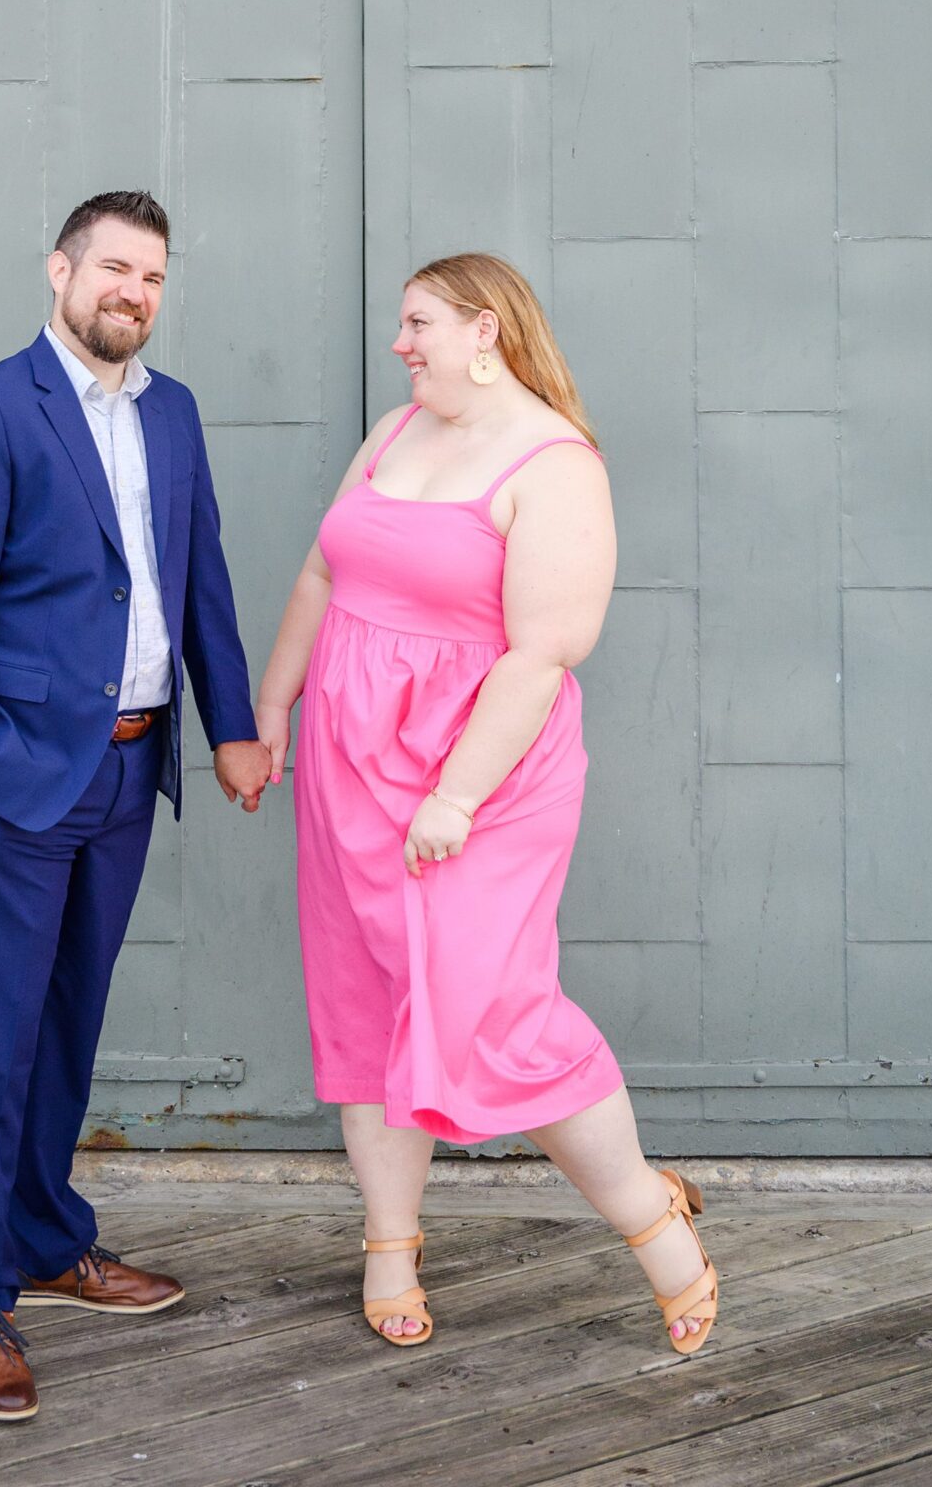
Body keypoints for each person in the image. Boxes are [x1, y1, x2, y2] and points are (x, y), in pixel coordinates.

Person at [256, 252, 719, 1356]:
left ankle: (660, 1230)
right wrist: (269, 707)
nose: (400, 342)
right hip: (348, 761)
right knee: (363, 997)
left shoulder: (553, 463)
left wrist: (455, 795)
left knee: (496, 1011)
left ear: (484, 330)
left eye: (417, 323)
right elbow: (323, 575)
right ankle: (389, 1242)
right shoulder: (392, 429)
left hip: (476, 776)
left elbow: (544, 651)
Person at [0, 190, 273, 1424]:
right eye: (115, 266)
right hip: (10, 779)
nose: (134, 290)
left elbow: (197, 574)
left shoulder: (169, 414)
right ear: (59, 270)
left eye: (153, 275)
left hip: (126, 772)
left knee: (63, 1027)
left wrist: (229, 726)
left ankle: (48, 1242)